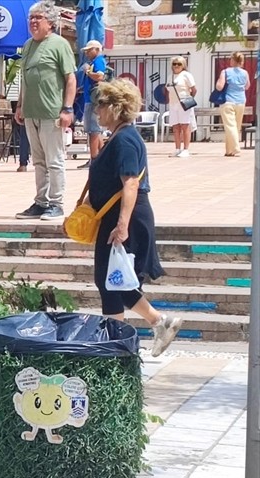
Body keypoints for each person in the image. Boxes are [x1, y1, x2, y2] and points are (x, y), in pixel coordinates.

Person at [84, 79, 183, 357]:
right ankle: (157, 324)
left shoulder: (126, 139)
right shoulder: (117, 136)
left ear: (116, 108)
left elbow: (130, 183)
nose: (97, 111)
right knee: (115, 280)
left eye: (101, 105)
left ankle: (119, 344)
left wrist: (122, 225)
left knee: (110, 281)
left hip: (127, 217)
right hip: (117, 216)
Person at [14, 1, 76, 221]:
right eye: (31, 18)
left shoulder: (59, 45)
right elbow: (24, 79)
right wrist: (20, 105)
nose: (32, 21)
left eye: (37, 17)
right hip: (31, 113)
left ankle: (56, 203)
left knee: (55, 160)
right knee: (38, 161)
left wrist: (67, 109)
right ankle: (41, 202)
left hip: (52, 113)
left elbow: (70, 78)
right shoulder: (28, 45)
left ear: (50, 22)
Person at [78, 40, 108, 168]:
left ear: (96, 49)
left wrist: (88, 72)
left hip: (93, 100)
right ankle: (102, 158)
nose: (87, 53)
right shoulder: (94, 62)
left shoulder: (99, 61)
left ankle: (94, 160)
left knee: (93, 131)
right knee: (95, 130)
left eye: (89, 50)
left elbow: (100, 77)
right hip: (89, 98)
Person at [216, 51, 251, 157]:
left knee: (230, 126)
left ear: (233, 60)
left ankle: (235, 148)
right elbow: (247, 86)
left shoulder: (225, 71)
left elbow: (219, 87)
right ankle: (229, 151)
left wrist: (218, 82)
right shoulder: (245, 73)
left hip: (228, 101)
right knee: (236, 127)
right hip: (241, 102)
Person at [168, 57, 197, 158]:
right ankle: (177, 148)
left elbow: (194, 89)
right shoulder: (170, 76)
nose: (176, 66)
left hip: (184, 103)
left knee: (185, 126)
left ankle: (186, 149)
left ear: (183, 65)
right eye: (174, 64)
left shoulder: (186, 75)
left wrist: (189, 99)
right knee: (175, 127)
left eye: (179, 64)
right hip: (173, 104)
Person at [7, 67, 31, 171]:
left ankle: (23, 164)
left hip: (28, 107)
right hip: (36, 108)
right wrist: (19, 106)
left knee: (24, 136)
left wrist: (19, 106)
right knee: (26, 136)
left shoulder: (27, 70)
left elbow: (22, 91)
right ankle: (23, 163)